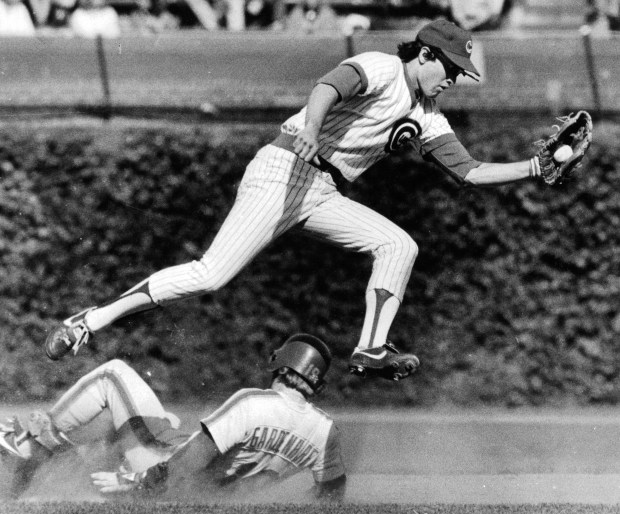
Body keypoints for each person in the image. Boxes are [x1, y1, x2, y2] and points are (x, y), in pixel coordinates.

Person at [45, 19, 542, 382]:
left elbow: (470, 171)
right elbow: (328, 86)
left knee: (399, 246)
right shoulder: (385, 67)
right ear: (427, 55)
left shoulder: (429, 114)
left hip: (321, 191)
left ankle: (371, 348)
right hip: (284, 168)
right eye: (451, 68)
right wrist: (309, 127)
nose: (454, 79)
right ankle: (89, 320)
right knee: (210, 275)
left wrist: (537, 168)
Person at [1, 334, 346, 500]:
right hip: (209, 496)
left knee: (114, 375)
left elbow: (188, 463)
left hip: (162, 473)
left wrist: (136, 482)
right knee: (160, 421)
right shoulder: (325, 432)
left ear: (281, 365)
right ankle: (54, 457)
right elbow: (330, 503)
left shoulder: (253, 402)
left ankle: (30, 445)